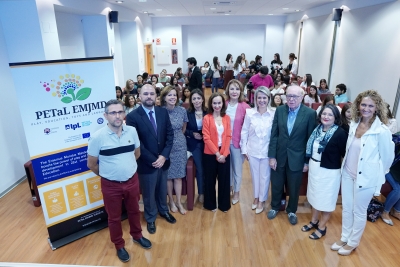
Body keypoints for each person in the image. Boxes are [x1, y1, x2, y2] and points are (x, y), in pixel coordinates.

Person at [87, 99, 151, 263]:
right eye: (113, 113)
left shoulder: (132, 131)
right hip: (110, 185)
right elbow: (91, 164)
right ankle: (119, 245)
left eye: (120, 112)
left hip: (132, 180)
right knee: (114, 218)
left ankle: (137, 236)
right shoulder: (97, 137)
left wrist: (127, 168)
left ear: (124, 114)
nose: (117, 116)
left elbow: (136, 154)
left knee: (134, 211)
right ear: (105, 115)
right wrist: (109, 175)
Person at [331, 90, 394, 256]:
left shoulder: (382, 131)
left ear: (377, 108)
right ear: (359, 105)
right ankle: (345, 237)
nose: (366, 108)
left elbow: (387, 158)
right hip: (347, 173)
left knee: (359, 211)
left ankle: (353, 242)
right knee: (346, 208)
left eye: (370, 106)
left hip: (366, 178)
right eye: (364, 104)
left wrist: (375, 175)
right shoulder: (354, 123)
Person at [125, 84, 176, 235]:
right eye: (145, 93)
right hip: (147, 163)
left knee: (162, 190)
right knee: (148, 193)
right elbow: (136, 143)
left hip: (163, 161)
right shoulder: (133, 117)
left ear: (156, 96)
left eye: (152, 94)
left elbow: (169, 135)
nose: (149, 96)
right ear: (139, 96)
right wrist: (154, 160)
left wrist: (163, 156)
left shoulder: (162, 112)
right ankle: (151, 217)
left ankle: (164, 211)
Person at [267, 85, 317, 225]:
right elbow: (274, 135)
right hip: (279, 155)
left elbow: (310, 140)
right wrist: (272, 156)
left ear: (301, 97)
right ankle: (275, 207)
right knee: (276, 184)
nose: (291, 99)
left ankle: (291, 211)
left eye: (295, 96)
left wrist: (307, 161)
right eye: (289, 96)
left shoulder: (310, 114)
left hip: (298, 158)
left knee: (294, 187)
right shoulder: (279, 111)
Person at [302, 104, 347, 239]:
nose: (326, 117)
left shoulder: (340, 133)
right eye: (324, 114)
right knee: (315, 196)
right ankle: (314, 221)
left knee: (326, 200)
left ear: (335, 118)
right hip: (315, 168)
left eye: (330, 115)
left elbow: (345, 154)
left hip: (330, 172)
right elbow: (311, 148)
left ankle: (322, 227)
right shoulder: (317, 129)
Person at [240, 87, 275, 214]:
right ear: (255, 99)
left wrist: (274, 154)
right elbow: (244, 132)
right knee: (255, 176)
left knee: (265, 177)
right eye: (259, 97)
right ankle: (256, 197)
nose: (261, 100)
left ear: (268, 99)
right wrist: (244, 149)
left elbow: (275, 135)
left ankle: (262, 200)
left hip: (267, 151)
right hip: (252, 150)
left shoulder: (273, 113)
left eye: (264, 98)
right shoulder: (250, 113)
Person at [160, 86, 189, 215]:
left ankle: (178, 201)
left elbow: (184, 127)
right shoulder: (160, 111)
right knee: (168, 177)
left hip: (180, 145)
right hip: (166, 146)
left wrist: (177, 138)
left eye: (174, 95)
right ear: (164, 98)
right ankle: (170, 201)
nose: (172, 97)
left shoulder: (182, 110)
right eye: (169, 95)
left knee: (178, 176)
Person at [203, 92, 232, 212]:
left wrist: (224, 154)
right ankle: (210, 204)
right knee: (210, 180)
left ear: (223, 103)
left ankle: (224, 205)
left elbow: (228, 136)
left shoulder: (227, 118)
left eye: (219, 102)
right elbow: (206, 138)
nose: (217, 105)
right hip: (210, 153)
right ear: (211, 104)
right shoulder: (207, 118)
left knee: (224, 180)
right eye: (214, 103)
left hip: (224, 153)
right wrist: (217, 153)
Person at [225, 79, 250, 204]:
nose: (234, 91)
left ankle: (237, 192)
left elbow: (249, 128)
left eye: (237, 89)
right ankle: (229, 188)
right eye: (232, 88)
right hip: (223, 142)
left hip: (237, 143)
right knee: (226, 168)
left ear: (240, 91)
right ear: (228, 90)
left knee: (237, 169)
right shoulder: (223, 104)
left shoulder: (245, 107)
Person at [185, 89, 207, 203]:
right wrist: (192, 134)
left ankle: (208, 191)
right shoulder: (187, 113)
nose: (197, 100)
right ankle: (201, 193)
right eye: (194, 99)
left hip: (208, 143)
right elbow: (184, 129)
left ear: (203, 99)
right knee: (200, 168)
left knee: (208, 169)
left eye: (199, 98)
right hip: (194, 144)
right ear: (191, 101)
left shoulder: (208, 112)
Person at [382, 161, 400, 225]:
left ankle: (396, 211)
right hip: (388, 169)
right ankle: (384, 212)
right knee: (397, 190)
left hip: (396, 173)